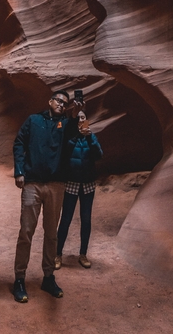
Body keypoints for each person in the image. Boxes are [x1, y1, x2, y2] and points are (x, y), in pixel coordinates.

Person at [12, 89, 82, 303]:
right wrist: (19, 171)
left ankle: (48, 277)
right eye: (59, 100)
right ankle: (19, 279)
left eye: (65, 102)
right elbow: (19, 143)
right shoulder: (34, 120)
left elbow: (75, 134)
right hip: (32, 183)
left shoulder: (66, 125)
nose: (61, 104)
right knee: (26, 232)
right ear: (50, 101)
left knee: (51, 233)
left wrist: (76, 114)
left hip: (56, 185)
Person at [55, 110, 103, 270]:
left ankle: (83, 254)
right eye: (78, 118)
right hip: (72, 182)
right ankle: (58, 254)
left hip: (87, 183)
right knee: (66, 219)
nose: (81, 120)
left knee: (86, 219)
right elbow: (64, 154)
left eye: (83, 117)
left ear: (87, 120)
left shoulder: (91, 136)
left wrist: (89, 136)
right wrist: (76, 135)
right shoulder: (69, 136)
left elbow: (98, 155)